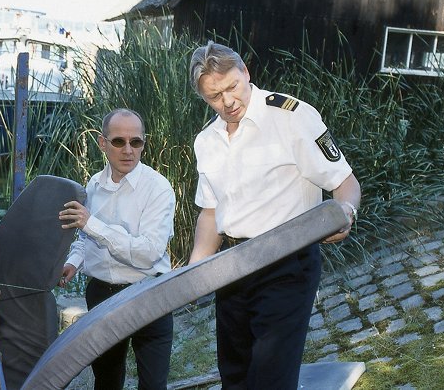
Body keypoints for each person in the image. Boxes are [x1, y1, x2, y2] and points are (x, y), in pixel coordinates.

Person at [187, 41, 361, 389]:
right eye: (214, 96)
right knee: (234, 375)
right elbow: (210, 213)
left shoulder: (292, 117)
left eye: (233, 87)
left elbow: (345, 182)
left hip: (287, 262)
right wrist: (194, 274)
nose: (228, 101)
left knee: (271, 378)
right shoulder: (206, 141)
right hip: (233, 267)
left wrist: (346, 210)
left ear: (246, 73)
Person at [58, 108, 176, 390]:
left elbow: (149, 253)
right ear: (103, 143)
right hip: (102, 293)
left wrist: (92, 224)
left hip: (150, 292)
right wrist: (74, 261)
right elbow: (86, 237)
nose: (128, 150)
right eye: (119, 141)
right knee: (106, 381)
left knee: (153, 384)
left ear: (143, 144)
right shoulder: (94, 184)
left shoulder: (159, 188)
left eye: (136, 142)